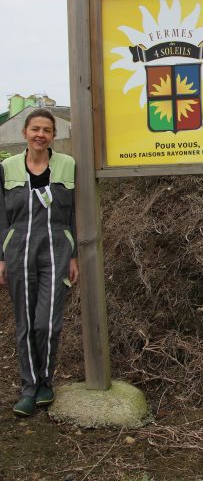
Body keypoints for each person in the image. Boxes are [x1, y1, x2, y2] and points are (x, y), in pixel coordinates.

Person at [0, 108, 78, 417]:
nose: (40, 134)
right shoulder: (7, 168)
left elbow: (75, 212)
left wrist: (73, 254)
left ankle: (46, 381)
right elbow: (1, 217)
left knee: (47, 322)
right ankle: (29, 388)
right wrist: (2, 258)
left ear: (53, 136)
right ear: (25, 133)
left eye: (46, 130)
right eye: (35, 129)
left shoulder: (68, 165)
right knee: (26, 323)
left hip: (57, 250)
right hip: (18, 250)